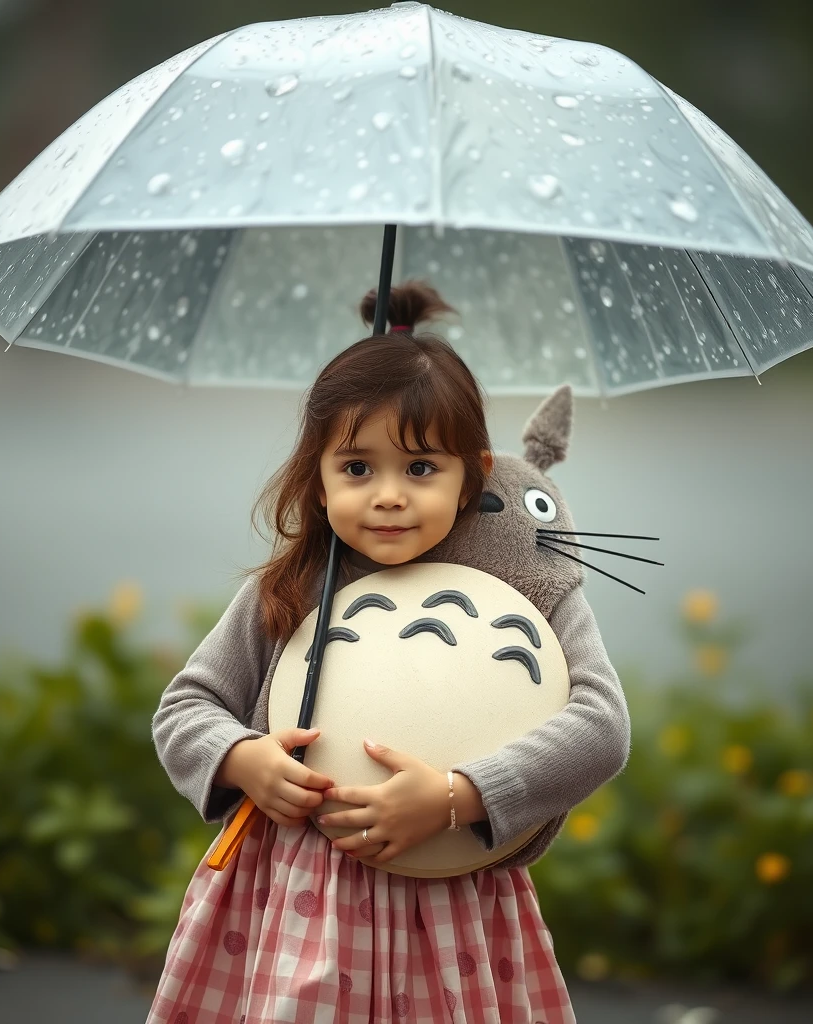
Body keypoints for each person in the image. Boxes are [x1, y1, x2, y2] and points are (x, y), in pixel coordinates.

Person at [146, 282, 629, 1024]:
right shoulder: (294, 584)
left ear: (472, 471)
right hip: (298, 903)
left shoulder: (527, 590)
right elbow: (185, 707)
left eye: (422, 468)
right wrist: (242, 758)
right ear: (318, 476)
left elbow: (601, 726)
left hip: (455, 904)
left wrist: (456, 796)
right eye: (358, 468)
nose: (389, 496)